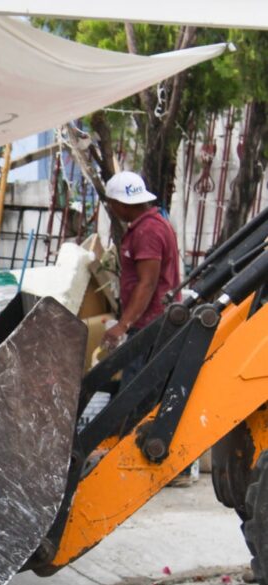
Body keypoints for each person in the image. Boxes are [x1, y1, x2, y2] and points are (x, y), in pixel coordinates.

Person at [100, 171, 196, 485]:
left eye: (113, 204)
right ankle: (148, 463)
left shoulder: (148, 232)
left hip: (152, 327)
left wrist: (123, 325)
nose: (112, 209)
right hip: (154, 323)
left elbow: (148, 282)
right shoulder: (149, 225)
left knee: (137, 393)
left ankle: (133, 465)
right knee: (149, 395)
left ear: (120, 203)